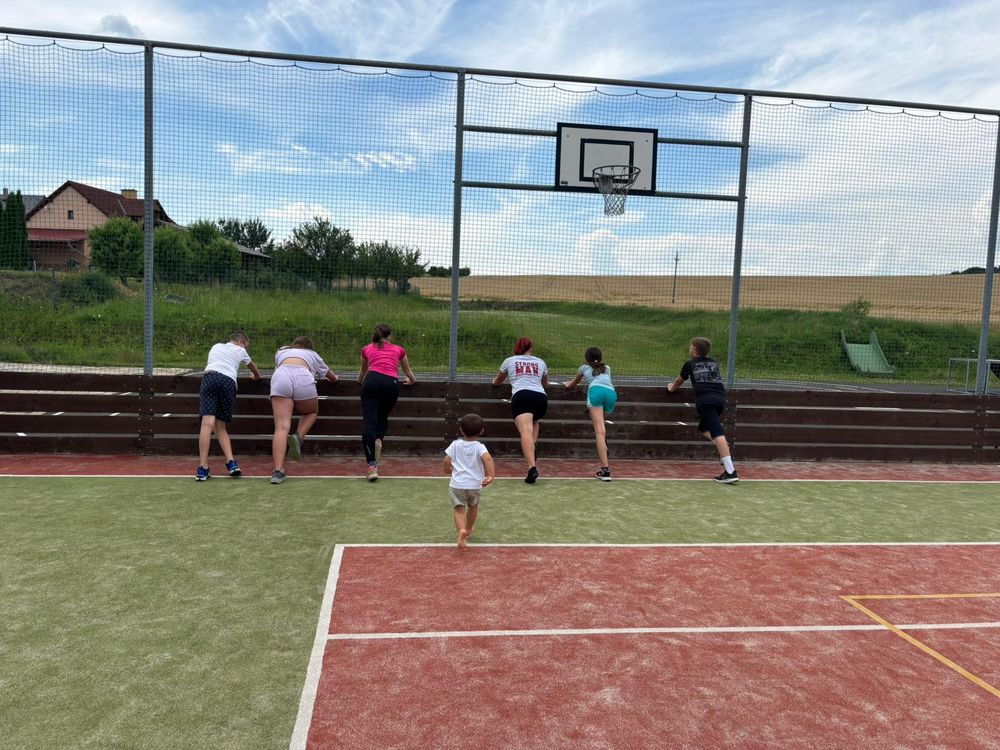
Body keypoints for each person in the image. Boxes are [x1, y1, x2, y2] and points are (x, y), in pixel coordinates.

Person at [667, 336, 739, 483]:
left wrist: (671, 388)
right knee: (704, 429)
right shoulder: (713, 363)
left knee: (717, 432)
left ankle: (730, 471)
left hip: (705, 402)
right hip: (719, 400)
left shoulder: (689, 364)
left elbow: (679, 381)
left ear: (694, 351)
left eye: (690, 347)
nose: (689, 349)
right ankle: (724, 446)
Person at [269, 336, 339, 485]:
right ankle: (298, 436)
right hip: (303, 377)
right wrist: (335, 378)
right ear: (309, 347)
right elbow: (331, 377)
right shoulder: (312, 354)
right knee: (311, 412)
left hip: (281, 377)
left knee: (281, 427)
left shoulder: (281, 351)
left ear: (294, 345)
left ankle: (278, 471)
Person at [195, 331, 261, 481]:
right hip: (228, 382)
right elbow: (253, 368)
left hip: (210, 378)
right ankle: (231, 462)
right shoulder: (241, 350)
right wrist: (257, 377)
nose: (245, 348)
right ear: (239, 341)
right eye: (245, 345)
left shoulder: (216, 346)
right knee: (221, 426)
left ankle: (203, 468)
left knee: (207, 423)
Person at [358, 323, 416, 481]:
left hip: (371, 381)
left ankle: (371, 467)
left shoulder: (366, 349)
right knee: (382, 417)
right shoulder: (399, 350)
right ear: (390, 336)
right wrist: (412, 381)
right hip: (391, 384)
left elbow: (363, 372)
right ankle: (379, 439)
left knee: (369, 422)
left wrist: (360, 382)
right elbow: (407, 370)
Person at [492, 337, 548, 484]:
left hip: (522, 396)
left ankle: (531, 467)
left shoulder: (510, 361)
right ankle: (532, 446)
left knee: (525, 431)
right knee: (534, 421)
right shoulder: (540, 362)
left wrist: (494, 382)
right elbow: (545, 383)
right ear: (531, 348)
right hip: (541, 399)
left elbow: (498, 380)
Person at [563, 346, 617, 481]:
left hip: (596, 391)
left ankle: (605, 471)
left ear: (587, 358)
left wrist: (566, 384)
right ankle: (604, 447)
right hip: (611, 393)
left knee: (599, 431)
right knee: (602, 428)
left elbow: (572, 384)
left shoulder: (583, 368)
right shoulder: (607, 368)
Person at [442, 413, 495, 549]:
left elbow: (446, 460)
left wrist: (447, 470)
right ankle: (469, 528)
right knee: (473, 507)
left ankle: (461, 530)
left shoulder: (455, 445)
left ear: (461, 430)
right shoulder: (480, 447)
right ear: (481, 431)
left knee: (458, 509)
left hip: (457, 485)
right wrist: (491, 475)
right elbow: (488, 459)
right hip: (474, 485)